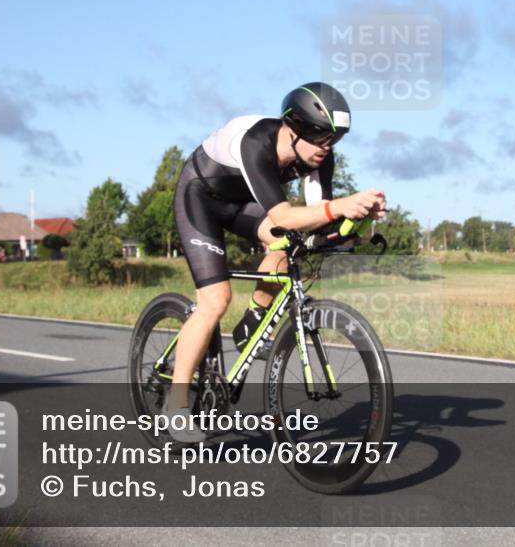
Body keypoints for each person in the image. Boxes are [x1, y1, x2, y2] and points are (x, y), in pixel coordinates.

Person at [164, 82, 386, 444]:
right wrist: (341, 205)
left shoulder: (320, 157)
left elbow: (320, 219)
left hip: (241, 206)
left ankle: (251, 324)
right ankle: (174, 407)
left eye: (333, 140)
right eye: (318, 137)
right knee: (215, 301)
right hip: (200, 198)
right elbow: (284, 213)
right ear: (293, 127)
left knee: (291, 242)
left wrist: (359, 224)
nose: (326, 148)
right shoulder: (256, 142)